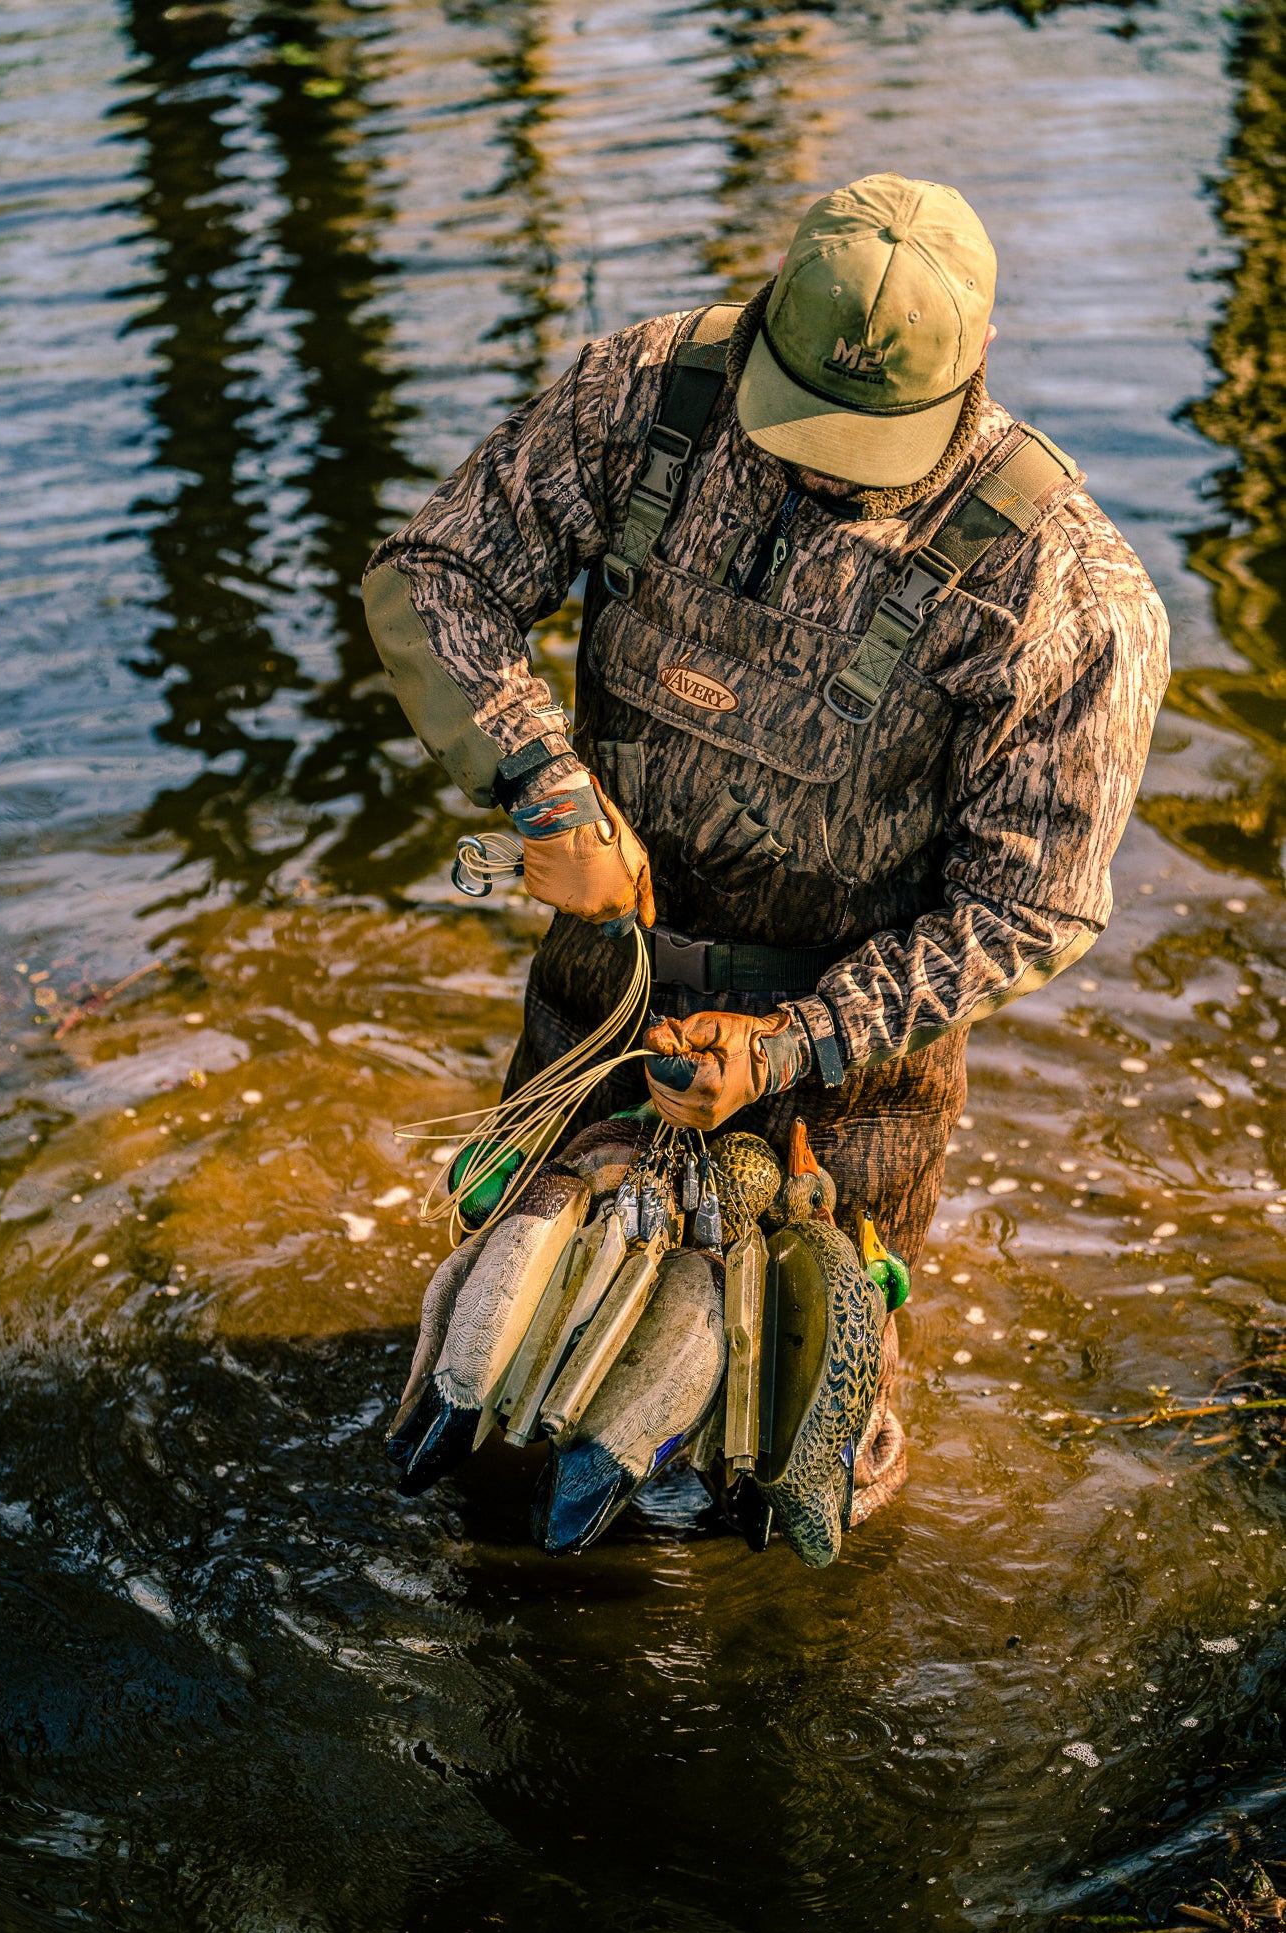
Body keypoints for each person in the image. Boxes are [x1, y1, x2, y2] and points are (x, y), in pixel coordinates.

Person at [363, 173, 1169, 1525]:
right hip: (594, 1004)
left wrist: (793, 1043)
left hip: (849, 1092)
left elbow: (1030, 906)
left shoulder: (1068, 594)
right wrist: (541, 785)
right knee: (496, 1418)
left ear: (980, 357)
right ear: (761, 322)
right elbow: (432, 574)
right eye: (799, 418)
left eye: (866, 442)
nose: (819, 469)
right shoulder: (639, 397)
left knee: (794, 1474)